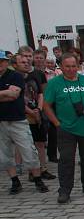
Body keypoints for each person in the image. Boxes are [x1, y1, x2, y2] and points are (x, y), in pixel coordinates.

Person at [42, 53, 84, 203]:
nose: (71, 69)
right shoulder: (54, 83)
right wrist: (57, 123)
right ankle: (64, 190)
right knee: (66, 160)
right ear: (61, 67)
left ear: (78, 66)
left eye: (73, 66)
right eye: (67, 66)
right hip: (66, 129)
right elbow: (46, 106)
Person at [1, 50, 49, 195]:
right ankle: (15, 181)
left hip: (17, 119)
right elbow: (7, 95)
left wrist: (8, 94)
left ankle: (37, 179)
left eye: (1, 61)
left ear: (6, 62)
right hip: (1, 121)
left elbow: (14, 94)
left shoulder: (15, 76)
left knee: (29, 150)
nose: (0, 64)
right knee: (5, 154)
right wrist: (5, 93)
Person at [16, 47, 55, 182]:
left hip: (38, 111)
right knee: (26, 144)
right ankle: (31, 171)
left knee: (40, 142)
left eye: (29, 56)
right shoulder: (16, 74)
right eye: (24, 56)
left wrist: (39, 109)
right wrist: (30, 111)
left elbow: (43, 92)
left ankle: (43, 168)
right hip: (22, 113)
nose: (27, 59)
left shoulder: (38, 73)